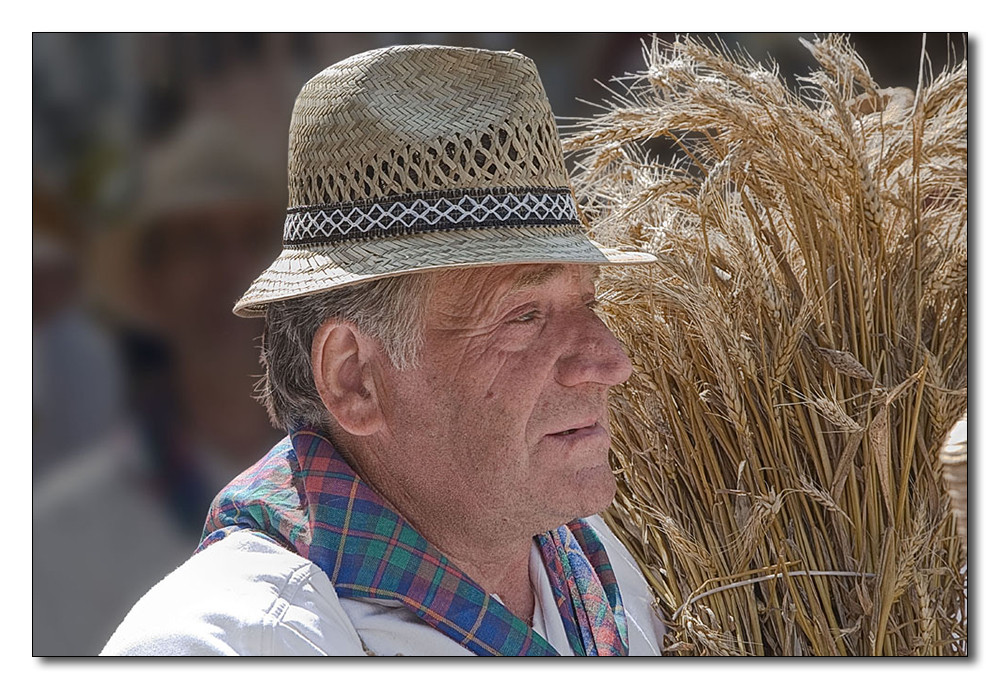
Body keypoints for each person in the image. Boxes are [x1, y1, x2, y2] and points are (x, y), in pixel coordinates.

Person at [102, 44, 666, 656]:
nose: (609, 360)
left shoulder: (595, 572)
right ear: (354, 379)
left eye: (589, 304)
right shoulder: (230, 644)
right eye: (524, 316)